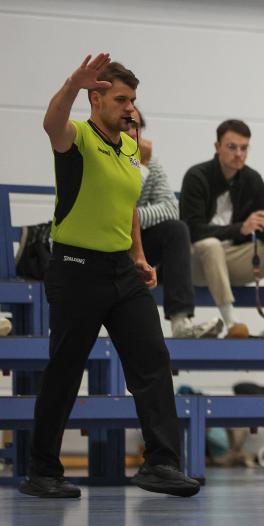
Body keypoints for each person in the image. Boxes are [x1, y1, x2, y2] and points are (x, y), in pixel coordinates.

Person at [20, 54, 199, 498]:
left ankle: (162, 464)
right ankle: (43, 471)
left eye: (133, 100)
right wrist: (70, 84)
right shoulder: (76, 136)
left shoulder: (130, 147)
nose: (130, 108)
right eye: (121, 99)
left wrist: (139, 256)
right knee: (65, 370)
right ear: (95, 99)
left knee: (153, 360)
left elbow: (129, 208)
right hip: (77, 269)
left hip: (122, 271)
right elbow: (51, 122)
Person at [180, 120, 264, 339]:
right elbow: (191, 230)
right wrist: (241, 228)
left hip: (234, 260)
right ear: (217, 146)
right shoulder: (197, 176)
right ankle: (232, 322)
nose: (239, 153)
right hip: (198, 263)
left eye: (244, 148)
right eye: (232, 147)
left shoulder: (252, 179)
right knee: (211, 245)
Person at [126, 107, 222, 338]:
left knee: (176, 230)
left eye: (136, 127)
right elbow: (116, 209)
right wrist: (141, 170)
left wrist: (135, 217)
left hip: (137, 243)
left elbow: (171, 208)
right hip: (104, 244)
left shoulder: (149, 160)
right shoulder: (103, 158)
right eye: (125, 125)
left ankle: (181, 323)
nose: (131, 133)